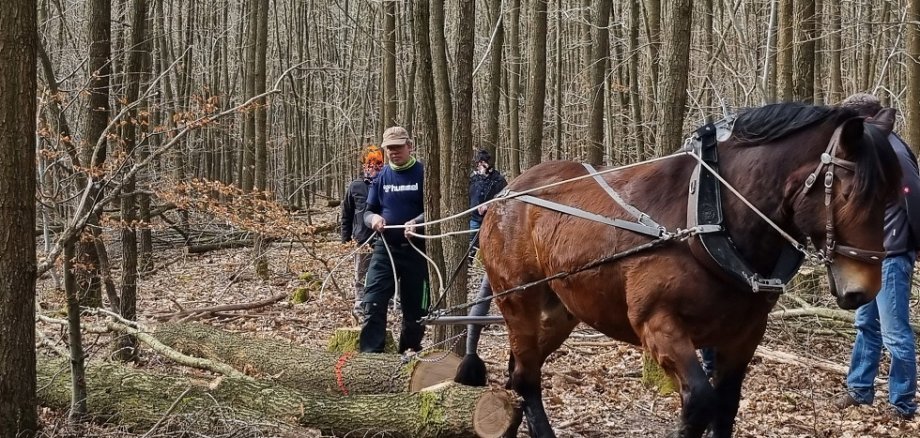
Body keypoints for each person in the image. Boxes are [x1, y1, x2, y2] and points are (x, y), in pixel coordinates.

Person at [834, 93, 920, 421]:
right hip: (870, 254)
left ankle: (902, 403)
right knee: (865, 323)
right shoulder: (875, 149)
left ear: (866, 121)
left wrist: (913, 243)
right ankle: (859, 389)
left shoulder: (893, 151)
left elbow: (914, 197)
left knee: (895, 331)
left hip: (893, 254)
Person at [360, 126, 429, 354]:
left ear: (410, 146)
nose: (394, 152)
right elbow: (367, 212)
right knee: (372, 302)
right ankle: (371, 358)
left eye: (398, 147)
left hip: (417, 250)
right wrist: (374, 220)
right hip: (385, 248)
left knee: (417, 311)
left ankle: (407, 354)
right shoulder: (381, 177)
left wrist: (417, 221)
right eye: (389, 148)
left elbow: (435, 209)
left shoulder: (423, 173)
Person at [341, 144, 384, 320]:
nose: (373, 168)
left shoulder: (385, 184)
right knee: (361, 273)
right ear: (364, 166)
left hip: (384, 237)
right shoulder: (355, 187)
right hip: (362, 239)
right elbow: (346, 214)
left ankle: (382, 300)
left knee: (382, 272)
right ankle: (360, 302)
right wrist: (345, 239)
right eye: (370, 164)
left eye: (378, 164)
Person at [468, 149, 507, 255]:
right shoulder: (473, 179)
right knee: (470, 248)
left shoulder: (498, 180)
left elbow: (505, 200)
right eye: (478, 163)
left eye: (482, 162)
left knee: (494, 248)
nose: (479, 165)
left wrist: (489, 206)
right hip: (474, 220)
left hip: (492, 220)